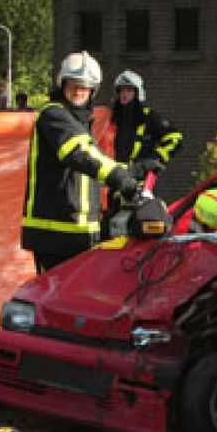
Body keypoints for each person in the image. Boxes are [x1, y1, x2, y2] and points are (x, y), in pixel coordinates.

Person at [21, 52, 142, 273]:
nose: (78, 91)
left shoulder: (80, 122)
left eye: (84, 87)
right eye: (73, 85)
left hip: (79, 233)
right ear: (62, 84)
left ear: (93, 90)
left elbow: (94, 161)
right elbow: (79, 154)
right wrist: (121, 179)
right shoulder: (53, 115)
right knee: (57, 293)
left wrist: (134, 171)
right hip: (55, 235)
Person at [91, 69, 182, 177]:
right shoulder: (110, 116)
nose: (124, 94)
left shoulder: (148, 117)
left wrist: (157, 156)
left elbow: (175, 137)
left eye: (129, 90)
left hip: (138, 177)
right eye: (121, 90)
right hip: (112, 175)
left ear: (137, 93)